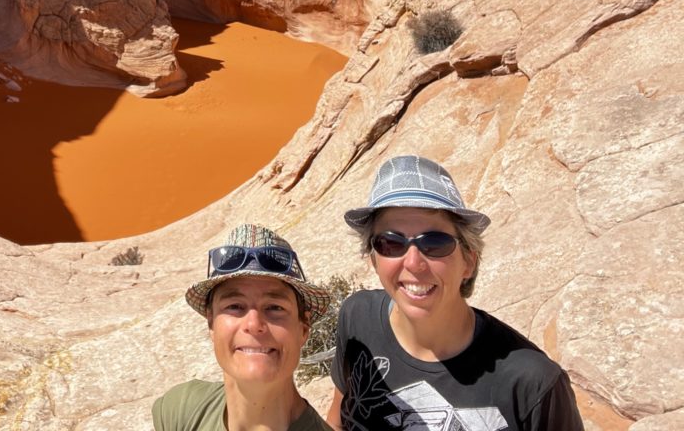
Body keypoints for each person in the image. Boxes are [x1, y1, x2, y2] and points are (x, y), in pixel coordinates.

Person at [326, 155, 584, 430]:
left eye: (435, 243)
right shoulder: (357, 319)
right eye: (390, 242)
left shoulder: (533, 383)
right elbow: (339, 420)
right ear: (373, 258)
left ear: (468, 262)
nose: (413, 263)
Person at [153, 223, 334, 431]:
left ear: (303, 329)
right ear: (211, 323)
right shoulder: (181, 410)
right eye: (235, 306)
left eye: (275, 307)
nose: (253, 324)